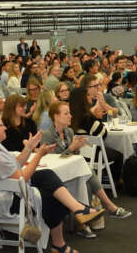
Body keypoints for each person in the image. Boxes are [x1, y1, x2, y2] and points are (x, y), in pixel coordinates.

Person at [0, 113, 103, 253]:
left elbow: (15, 165)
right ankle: (63, 235)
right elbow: (22, 177)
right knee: (53, 197)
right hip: (3, 202)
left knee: (47, 175)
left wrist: (30, 148)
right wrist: (38, 154)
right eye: (1, 125)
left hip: (6, 191)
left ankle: (77, 209)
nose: (5, 127)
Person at [42, 100, 131, 238]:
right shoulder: (47, 135)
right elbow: (51, 162)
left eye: (70, 113)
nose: (70, 116)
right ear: (56, 116)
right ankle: (107, 208)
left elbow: (74, 157)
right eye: (66, 113)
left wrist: (75, 149)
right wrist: (71, 148)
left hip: (70, 172)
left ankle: (83, 223)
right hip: (56, 177)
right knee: (86, 175)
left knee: (85, 177)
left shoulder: (69, 132)